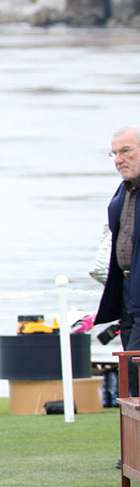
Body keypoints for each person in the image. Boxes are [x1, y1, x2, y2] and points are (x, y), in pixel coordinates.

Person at [96, 126, 140, 348]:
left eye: (126, 151)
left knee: (134, 362)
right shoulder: (124, 191)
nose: (118, 160)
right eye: (115, 153)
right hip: (126, 291)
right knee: (129, 369)